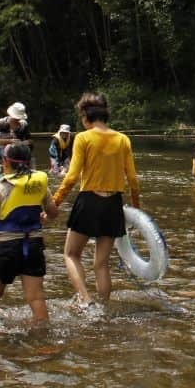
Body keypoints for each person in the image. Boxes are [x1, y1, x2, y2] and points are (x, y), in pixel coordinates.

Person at [52, 92, 141, 310]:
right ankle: (104, 308)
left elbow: (71, 177)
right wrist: (137, 210)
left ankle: (86, 300)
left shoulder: (83, 138)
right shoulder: (123, 139)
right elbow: (133, 180)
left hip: (89, 201)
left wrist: (54, 202)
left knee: (71, 254)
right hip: (113, 205)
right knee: (101, 264)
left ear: (85, 116)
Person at [0, 141, 60, 322]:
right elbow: (53, 213)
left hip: (6, 247)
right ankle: (43, 337)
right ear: (29, 162)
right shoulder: (39, 183)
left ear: (5, 161)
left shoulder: (2, 186)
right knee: (36, 297)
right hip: (34, 244)